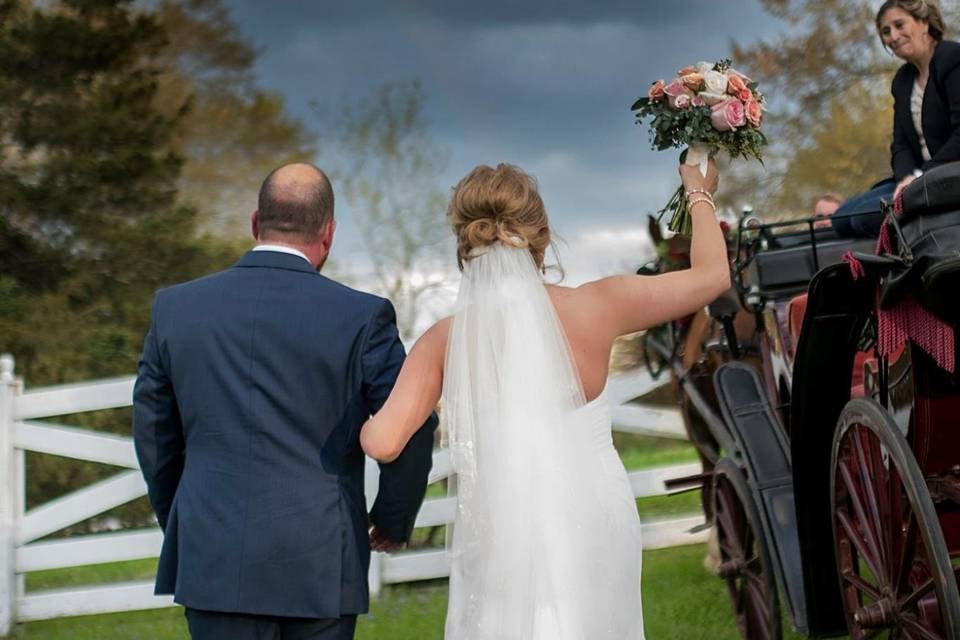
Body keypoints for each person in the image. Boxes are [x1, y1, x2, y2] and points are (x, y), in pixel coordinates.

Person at [360, 160, 729, 638]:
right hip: (597, 514)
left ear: (464, 241)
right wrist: (699, 192)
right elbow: (712, 276)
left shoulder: (443, 341)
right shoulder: (601, 304)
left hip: (504, 525)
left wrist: (360, 412)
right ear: (542, 236)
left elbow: (385, 442)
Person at [133, 163, 438, 640]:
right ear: (329, 233)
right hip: (320, 557)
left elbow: (154, 431)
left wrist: (187, 520)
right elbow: (415, 419)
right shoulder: (362, 317)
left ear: (257, 223)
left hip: (213, 551)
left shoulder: (176, 309)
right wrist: (392, 520)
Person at [833, 0, 960, 237]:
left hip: (949, 173)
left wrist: (921, 178)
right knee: (842, 218)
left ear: (923, 23)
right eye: (886, 32)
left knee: (865, 219)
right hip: (916, 178)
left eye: (899, 25)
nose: (893, 36)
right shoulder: (902, 81)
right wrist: (906, 179)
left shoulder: (952, 58)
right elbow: (900, 145)